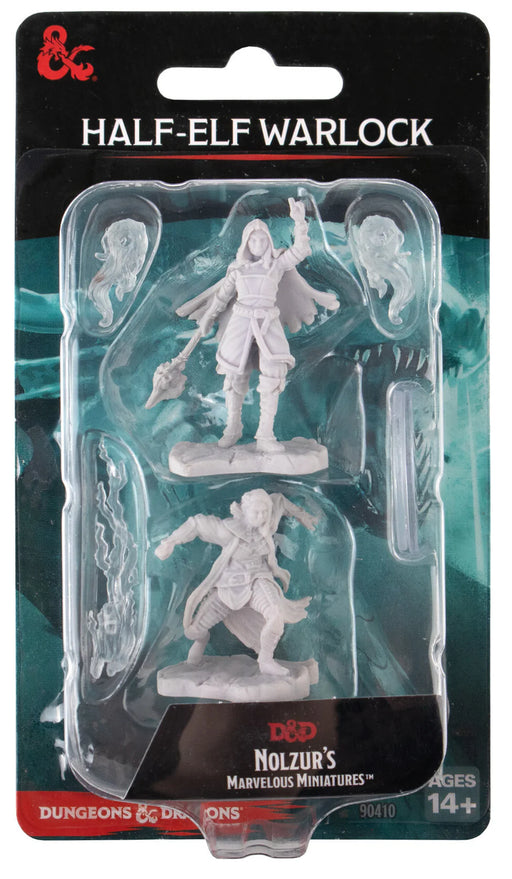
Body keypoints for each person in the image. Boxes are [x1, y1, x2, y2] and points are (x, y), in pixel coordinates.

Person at [176, 198, 339, 451]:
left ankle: (265, 434)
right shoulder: (237, 269)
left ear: (269, 242)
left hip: (268, 322)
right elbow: (222, 296)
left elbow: (300, 250)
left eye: (263, 240)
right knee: (234, 375)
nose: (259, 244)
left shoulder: (276, 265)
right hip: (240, 323)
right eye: (253, 240)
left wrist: (299, 221)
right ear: (246, 243)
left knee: (273, 374)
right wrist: (208, 316)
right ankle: (233, 427)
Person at [155, 488, 317, 676]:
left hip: (259, 581)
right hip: (229, 588)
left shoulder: (267, 525)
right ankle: (200, 643)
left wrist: (302, 515)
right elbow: (196, 524)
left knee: (275, 614)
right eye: (256, 512)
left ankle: (266, 661)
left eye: (264, 512)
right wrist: (170, 542)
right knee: (193, 631)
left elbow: (279, 500)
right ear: (245, 510)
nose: (262, 516)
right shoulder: (227, 531)